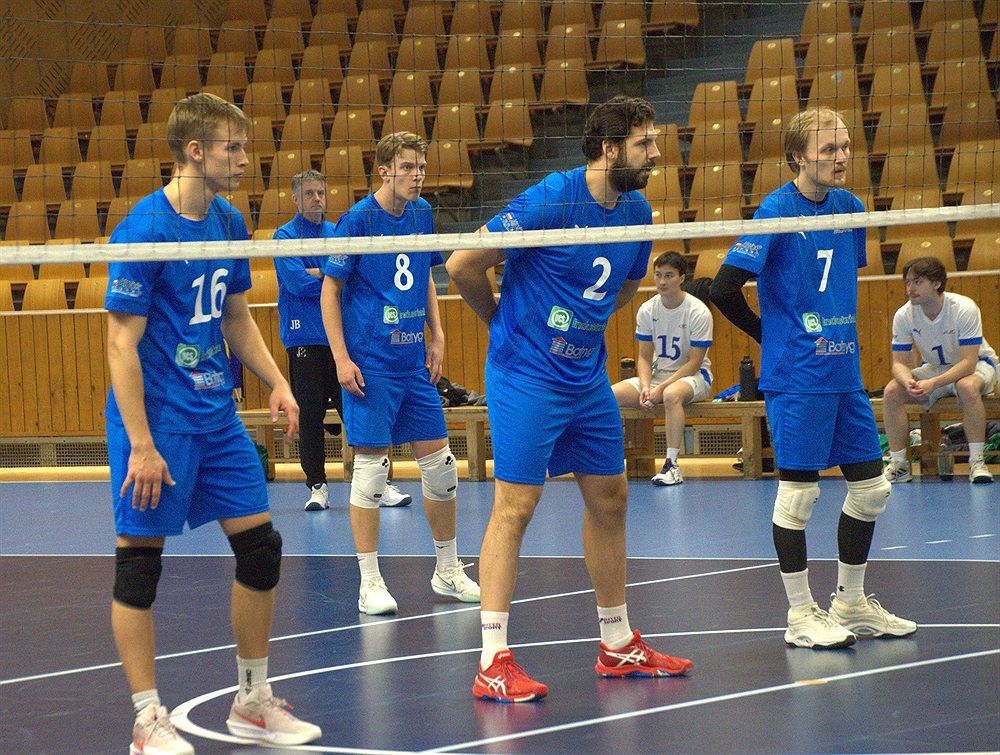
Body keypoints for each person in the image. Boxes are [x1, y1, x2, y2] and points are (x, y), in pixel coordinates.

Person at [447, 95, 693, 704]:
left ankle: (617, 643)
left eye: (653, 141)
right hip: (526, 372)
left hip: (584, 376)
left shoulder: (637, 210)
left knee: (611, 496)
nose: (655, 153)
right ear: (609, 149)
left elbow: (626, 283)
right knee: (516, 505)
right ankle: (492, 660)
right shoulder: (552, 198)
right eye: (643, 144)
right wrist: (502, 321)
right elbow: (461, 265)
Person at [104, 93, 321, 754]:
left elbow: (235, 316)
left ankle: (251, 700)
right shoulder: (144, 229)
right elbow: (119, 344)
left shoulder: (228, 220)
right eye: (233, 148)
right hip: (158, 421)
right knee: (139, 567)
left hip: (216, 413)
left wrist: (277, 380)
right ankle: (147, 720)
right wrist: (141, 444)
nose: (245, 160)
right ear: (195, 151)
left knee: (262, 551)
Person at [709, 106, 917, 650]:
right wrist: (771, 336)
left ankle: (851, 602)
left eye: (845, 146)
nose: (842, 156)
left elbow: (836, 281)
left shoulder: (850, 208)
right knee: (799, 497)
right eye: (829, 149)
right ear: (797, 157)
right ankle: (801, 614)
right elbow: (723, 288)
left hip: (843, 370)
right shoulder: (775, 211)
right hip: (797, 376)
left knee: (871, 490)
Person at [320, 131, 480, 615]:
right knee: (371, 472)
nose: (418, 176)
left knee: (442, 468)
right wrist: (341, 358)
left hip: (413, 364)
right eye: (408, 167)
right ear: (384, 169)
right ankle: (369, 582)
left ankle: (447, 570)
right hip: (371, 365)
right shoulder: (357, 220)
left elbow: (427, 275)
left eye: (422, 167)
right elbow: (330, 292)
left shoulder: (422, 212)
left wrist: (438, 333)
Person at [273, 169, 411, 511]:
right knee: (311, 415)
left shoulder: (338, 231)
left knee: (360, 411)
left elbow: (353, 280)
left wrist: (320, 273)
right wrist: (331, 275)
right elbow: (297, 284)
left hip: (342, 341)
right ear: (296, 199)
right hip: (304, 339)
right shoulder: (283, 236)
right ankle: (318, 486)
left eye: (321, 192)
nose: (317, 198)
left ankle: (380, 484)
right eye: (309, 193)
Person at [882, 256, 997, 484]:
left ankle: (977, 462)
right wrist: (907, 381)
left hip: (979, 364)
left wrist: (933, 383)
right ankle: (899, 464)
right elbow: (899, 364)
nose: (910, 288)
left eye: (918, 282)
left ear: (937, 283)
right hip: (935, 369)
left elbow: (968, 363)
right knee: (892, 391)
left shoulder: (964, 308)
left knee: (966, 387)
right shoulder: (904, 315)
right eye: (908, 282)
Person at [611, 251, 714, 486]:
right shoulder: (647, 309)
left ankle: (672, 466)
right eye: (658, 275)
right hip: (657, 377)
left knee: (670, 395)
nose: (662, 281)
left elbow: (694, 363)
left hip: (694, 378)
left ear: (682, 278)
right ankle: (607, 462)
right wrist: (646, 386)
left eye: (669, 275)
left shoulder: (698, 311)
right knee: (608, 396)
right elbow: (644, 357)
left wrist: (660, 389)